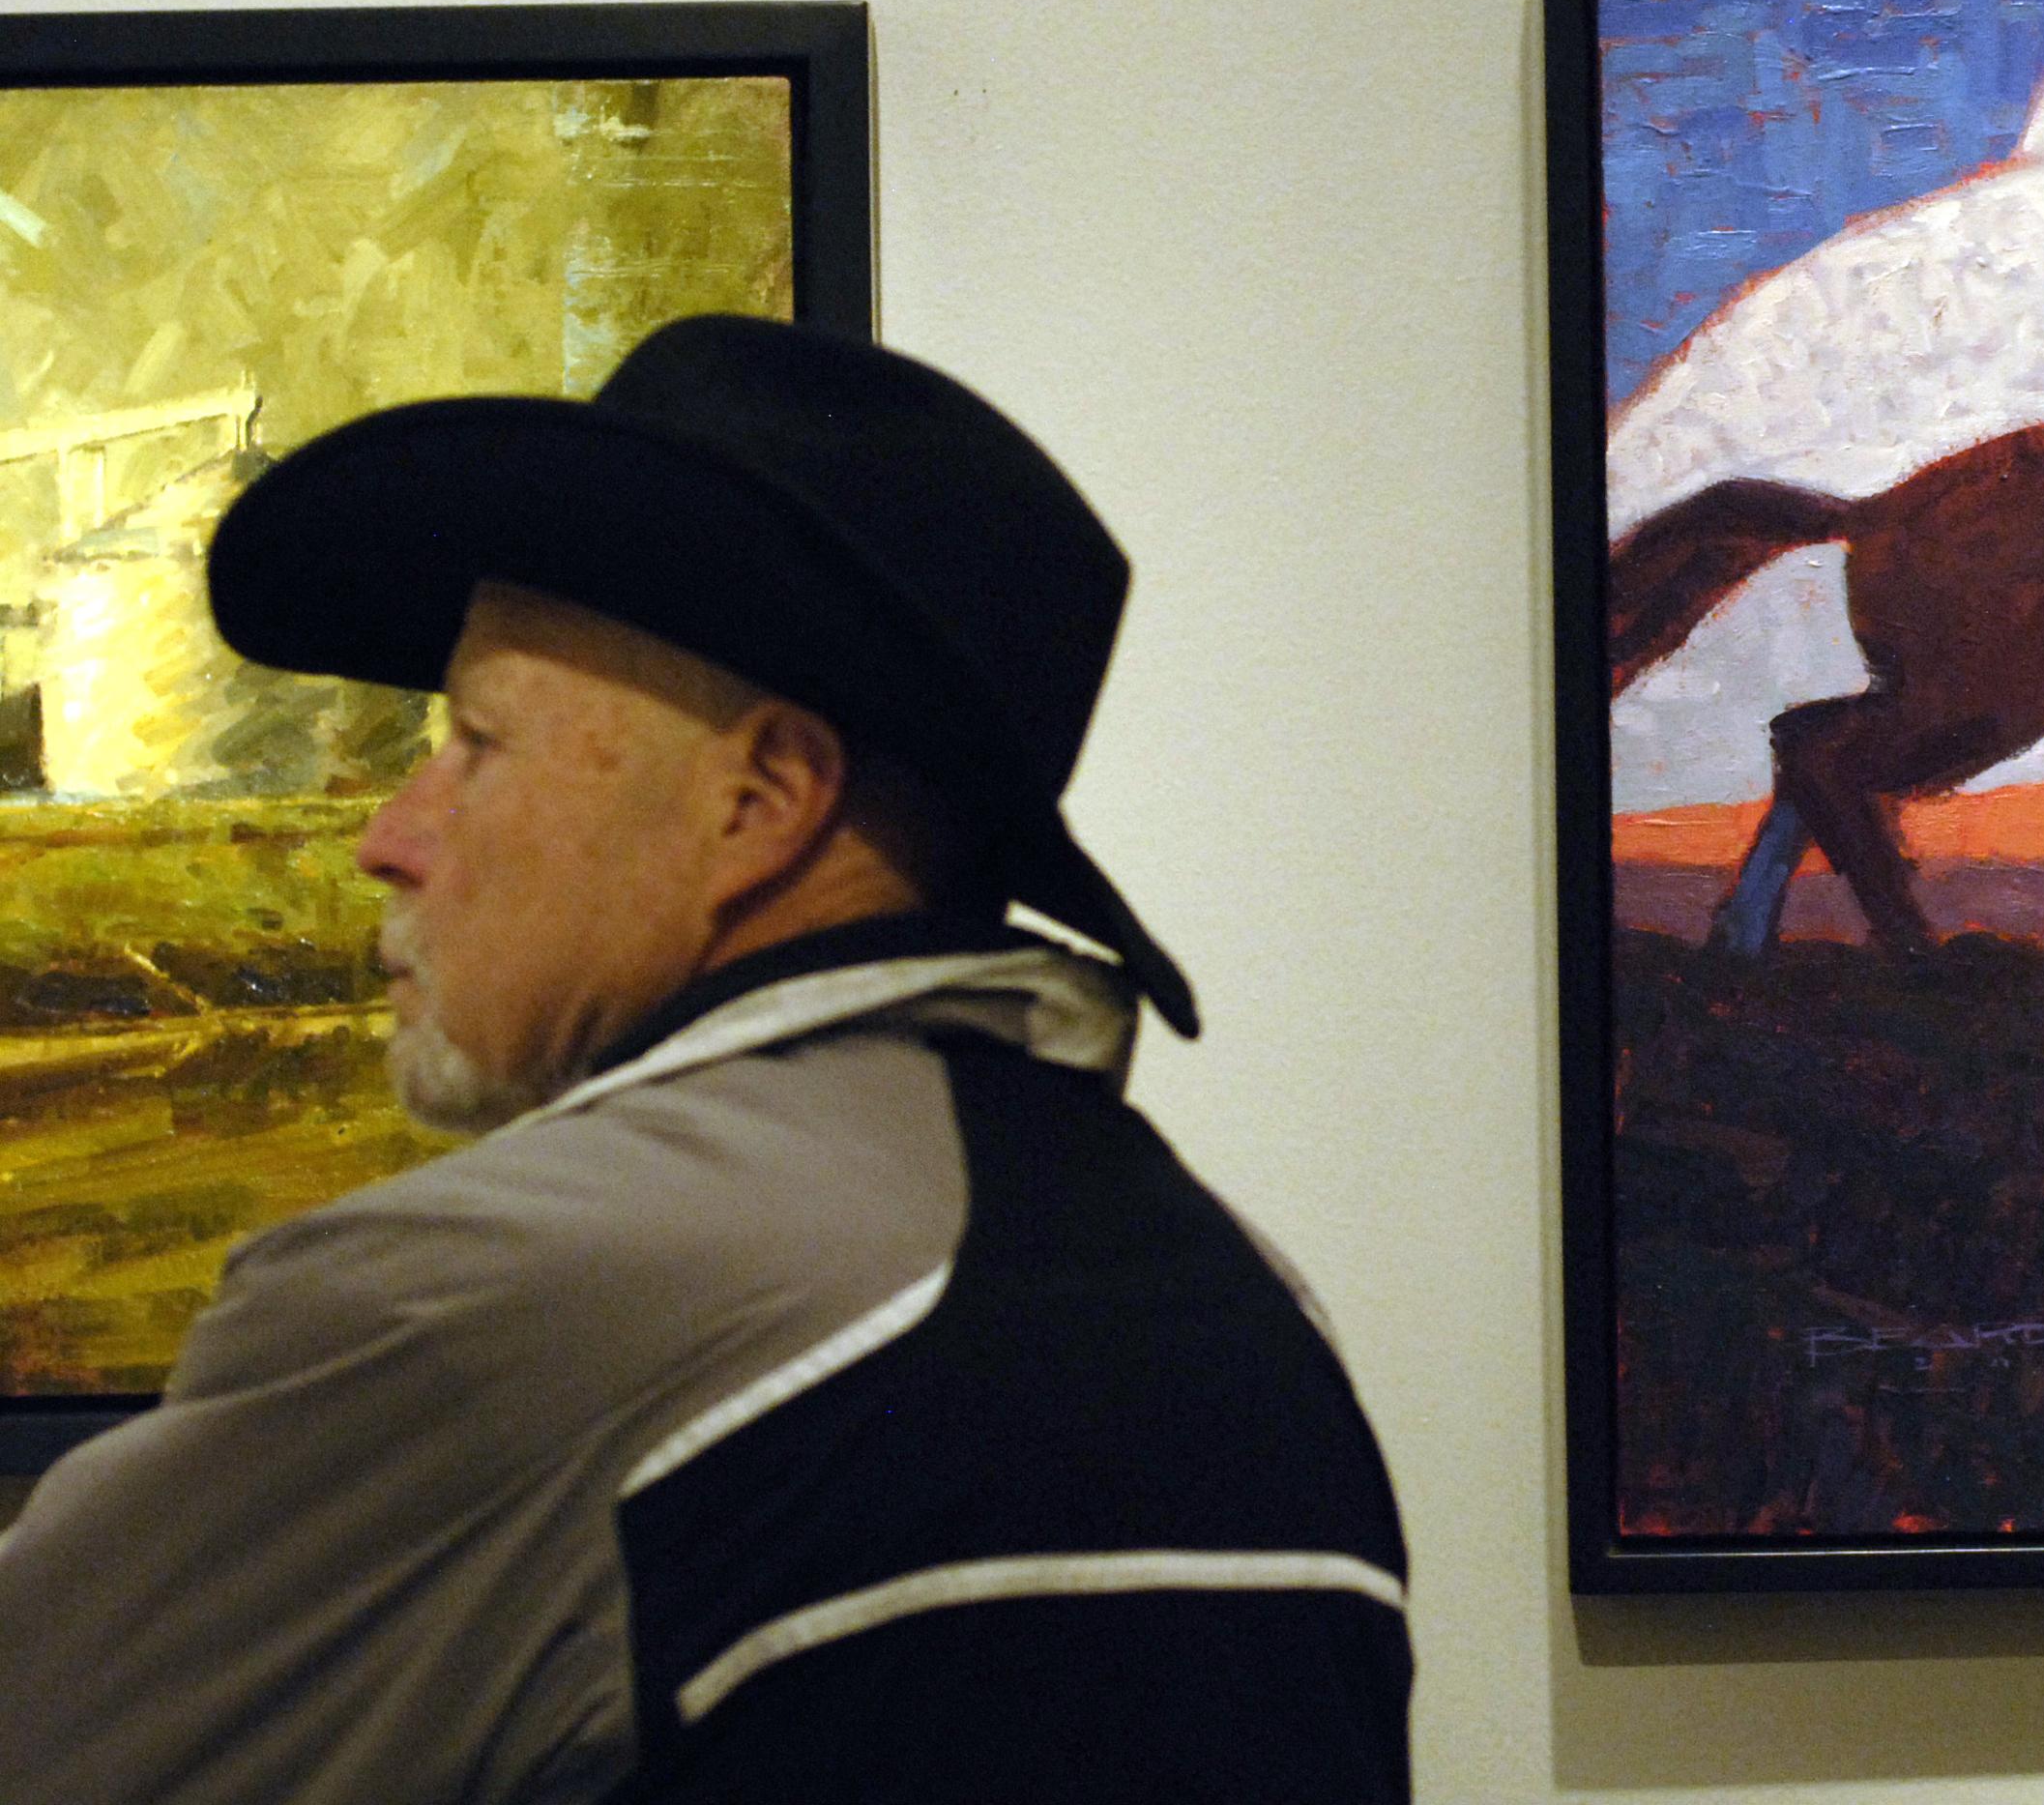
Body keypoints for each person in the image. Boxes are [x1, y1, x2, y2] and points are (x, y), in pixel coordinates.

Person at [0, 317, 1411, 1803]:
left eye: (476, 742)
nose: (392, 834)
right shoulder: (1255, 1306)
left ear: (761, 799)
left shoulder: (518, 1291)